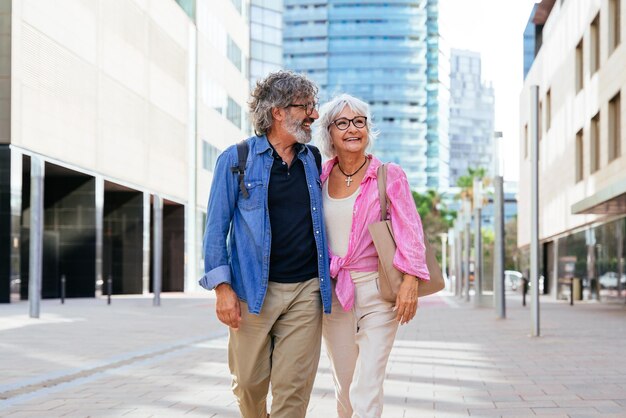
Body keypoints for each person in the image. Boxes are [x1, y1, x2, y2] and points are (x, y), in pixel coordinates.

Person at [199, 71, 332, 418]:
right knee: (247, 383)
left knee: (293, 389)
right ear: (278, 112)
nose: (313, 115)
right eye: (306, 107)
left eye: (313, 107)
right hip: (251, 291)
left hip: (306, 290)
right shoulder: (235, 159)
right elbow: (216, 228)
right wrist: (222, 290)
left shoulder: (312, 160)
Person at [315, 94, 430, 418]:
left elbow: (411, 231)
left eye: (359, 121)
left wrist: (410, 282)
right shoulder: (318, 177)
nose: (353, 129)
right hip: (333, 294)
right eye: (343, 123)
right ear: (329, 133)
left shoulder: (388, 175)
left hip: (378, 292)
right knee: (345, 384)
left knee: (367, 384)